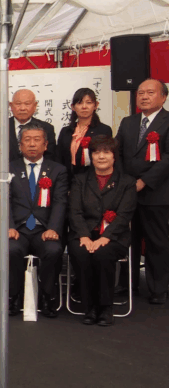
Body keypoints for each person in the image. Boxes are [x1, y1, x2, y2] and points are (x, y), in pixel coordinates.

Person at [68, 135, 137, 326]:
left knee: (103, 254)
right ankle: (89, 307)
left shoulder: (127, 182)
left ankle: (105, 307)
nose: (101, 156)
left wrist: (105, 238)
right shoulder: (80, 180)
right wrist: (84, 236)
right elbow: (74, 212)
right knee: (81, 253)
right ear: (91, 156)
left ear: (114, 156)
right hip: (84, 234)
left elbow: (124, 215)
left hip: (114, 236)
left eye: (106, 152)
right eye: (96, 152)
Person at [116, 78, 169, 303]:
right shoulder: (128, 122)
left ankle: (158, 288)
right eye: (140, 93)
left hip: (156, 193)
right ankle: (128, 284)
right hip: (128, 192)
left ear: (163, 97)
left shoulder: (167, 121)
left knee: (157, 242)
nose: (144, 97)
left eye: (150, 92)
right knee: (128, 239)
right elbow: (117, 153)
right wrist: (125, 182)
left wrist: (144, 181)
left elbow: (167, 158)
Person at [8, 123, 68, 318]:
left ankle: (47, 296)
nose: (32, 144)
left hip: (45, 229)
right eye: (27, 140)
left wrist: (53, 228)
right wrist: (9, 226)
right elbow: (4, 201)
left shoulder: (57, 170)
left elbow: (60, 202)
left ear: (45, 144)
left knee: (54, 251)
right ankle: (14, 296)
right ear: (20, 145)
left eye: (37, 140)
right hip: (19, 229)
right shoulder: (9, 168)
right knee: (11, 250)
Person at [57, 87, 112, 177]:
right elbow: (59, 158)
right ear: (73, 107)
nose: (84, 107)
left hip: (92, 179)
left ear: (96, 105)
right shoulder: (65, 131)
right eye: (79, 103)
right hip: (67, 179)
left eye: (88, 102)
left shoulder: (103, 130)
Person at [8, 89, 57, 162]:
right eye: (18, 104)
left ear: (35, 106)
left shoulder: (46, 128)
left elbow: (50, 159)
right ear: (11, 106)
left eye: (27, 104)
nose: (22, 108)